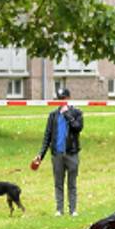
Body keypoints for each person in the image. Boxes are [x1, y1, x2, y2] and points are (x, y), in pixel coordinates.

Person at [34, 87, 83, 217]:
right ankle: (59, 210)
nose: (61, 101)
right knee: (58, 183)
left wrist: (67, 114)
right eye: (59, 99)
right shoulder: (53, 115)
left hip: (72, 153)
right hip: (57, 154)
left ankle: (73, 210)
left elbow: (78, 128)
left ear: (68, 98)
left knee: (72, 183)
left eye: (63, 98)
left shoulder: (77, 112)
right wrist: (41, 154)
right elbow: (47, 136)